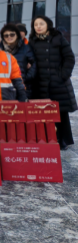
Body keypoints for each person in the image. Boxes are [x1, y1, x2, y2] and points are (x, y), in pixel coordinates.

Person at [29, 16, 77, 150]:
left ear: (48, 25)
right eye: (36, 25)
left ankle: (63, 140)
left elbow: (69, 57)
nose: (38, 27)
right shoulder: (32, 41)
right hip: (40, 83)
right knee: (43, 113)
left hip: (58, 83)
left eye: (41, 24)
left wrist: (63, 75)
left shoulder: (58, 38)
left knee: (60, 112)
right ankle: (47, 138)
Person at [0, 23, 36, 98]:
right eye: (6, 35)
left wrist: (26, 77)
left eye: (12, 34)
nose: (9, 37)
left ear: (17, 35)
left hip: (23, 87)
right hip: (4, 88)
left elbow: (34, 63)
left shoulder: (26, 48)